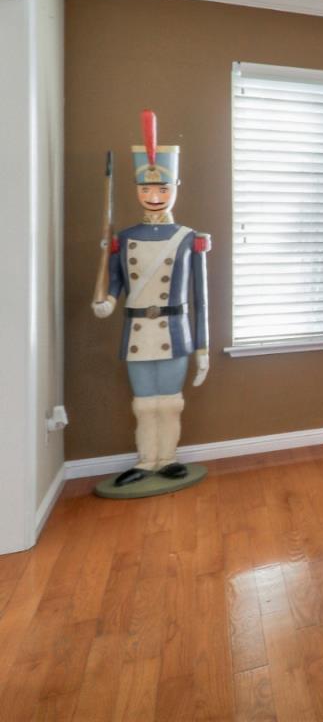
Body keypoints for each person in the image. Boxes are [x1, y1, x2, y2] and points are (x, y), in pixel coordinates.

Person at [91, 111, 210, 488]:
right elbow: (114, 281)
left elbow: (201, 299)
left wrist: (203, 347)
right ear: (136, 190)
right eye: (146, 190)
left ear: (176, 187)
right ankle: (147, 461)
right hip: (138, 331)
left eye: (161, 189)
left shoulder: (189, 237)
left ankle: (169, 458)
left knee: (169, 400)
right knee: (144, 403)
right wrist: (107, 301)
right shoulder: (123, 238)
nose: (154, 196)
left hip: (175, 331)